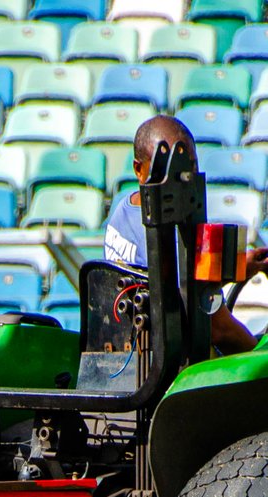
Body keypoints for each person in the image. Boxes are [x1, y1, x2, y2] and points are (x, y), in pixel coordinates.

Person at [104, 115, 268, 354]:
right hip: (170, 366)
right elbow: (216, 327)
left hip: (135, 352)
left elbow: (177, 288)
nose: (182, 180)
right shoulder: (163, 237)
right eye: (168, 171)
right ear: (139, 169)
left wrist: (243, 265)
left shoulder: (123, 211)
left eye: (190, 167)